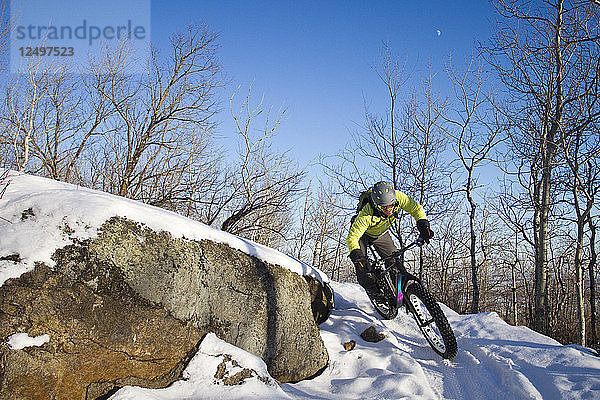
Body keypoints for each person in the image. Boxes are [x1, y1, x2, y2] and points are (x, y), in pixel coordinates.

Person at [346, 181, 434, 297]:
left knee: (395, 263)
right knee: (364, 272)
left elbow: (416, 208)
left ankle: (400, 293)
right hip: (362, 235)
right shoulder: (366, 213)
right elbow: (352, 237)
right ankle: (376, 295)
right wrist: (357, 255)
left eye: (391, 205)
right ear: (377, 205)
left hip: (380, 233)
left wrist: (423, 225)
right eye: (384, 207)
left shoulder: (398, 197)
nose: (389, 210)